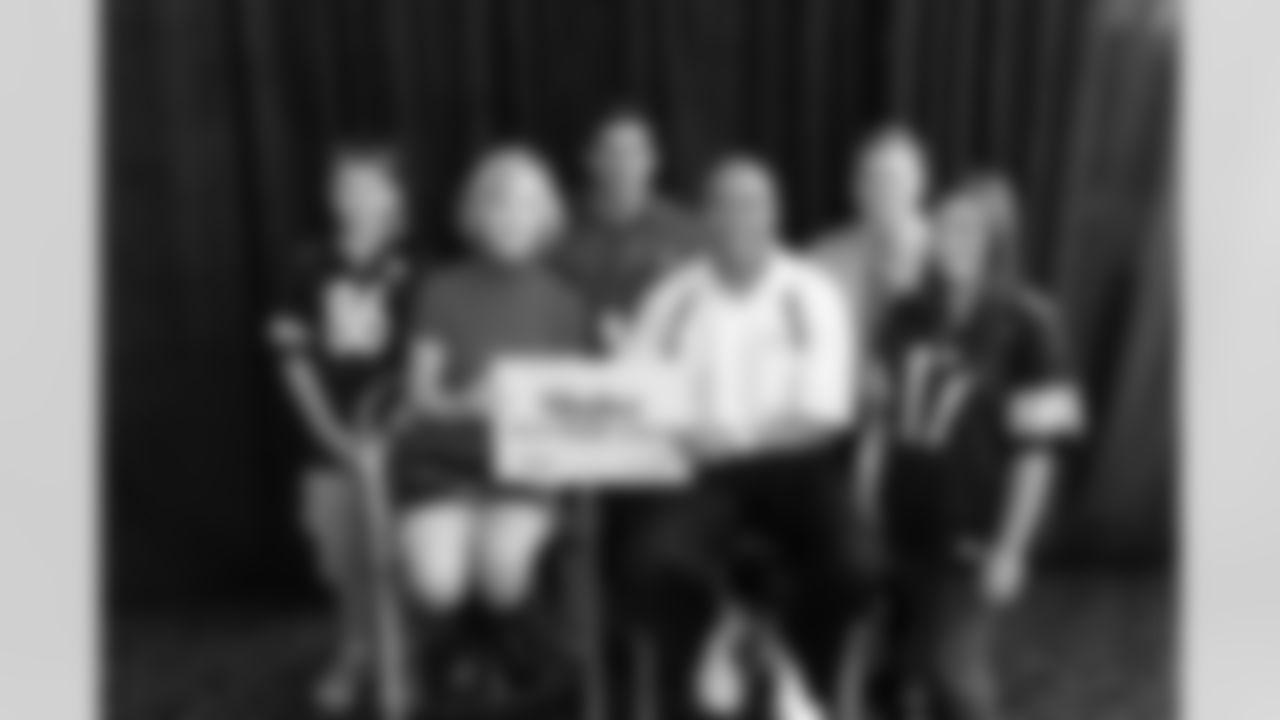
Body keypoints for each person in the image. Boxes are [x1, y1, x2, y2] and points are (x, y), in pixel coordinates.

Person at [623, 155, 867, 720]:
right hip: (697, 470)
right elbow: (637, 395)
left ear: (775, 214)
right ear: (704, 215)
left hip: (796, 464)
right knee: (651, 562)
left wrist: (736, 440)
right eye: (723, 203)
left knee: (856, 566)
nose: (737, 216)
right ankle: (717, 640)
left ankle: (795, 670)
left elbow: (825, 413)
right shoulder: (670, 297)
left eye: (752, 203)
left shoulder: (813, 292)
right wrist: (678, 435)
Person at [389, 145, 596, 707]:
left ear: (546, 217)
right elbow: (419, 395)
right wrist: (467, 403)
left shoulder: (565, 302)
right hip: (441, 461)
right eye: (498, 202)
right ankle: (469, 654)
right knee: (438, 584)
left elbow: (572, 406)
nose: (511, 216)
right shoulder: (441, 289)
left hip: (523, 469)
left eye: (527, 204)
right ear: (476, 215)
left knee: (501, 571)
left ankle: (517, 664)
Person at [875, 175, 1086, 720]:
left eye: (968, 228)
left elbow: (1039, 452)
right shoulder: (905, 313)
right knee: (904, 664)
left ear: (998, 239)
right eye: (943, 224)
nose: (951, 238)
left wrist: (1011, 549)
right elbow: (880, 421)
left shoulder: (1033, 323)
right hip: (903, 524)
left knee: (954, 673)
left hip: (975, 533)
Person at [265, 145, 413, 715]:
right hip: (328, 447)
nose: (355, 199)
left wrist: (387, 436)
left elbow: (421, 366)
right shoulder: (305, 266)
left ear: (394, 197)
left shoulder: (416, 269)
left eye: (369, 186)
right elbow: (293, 361)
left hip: (396, 444)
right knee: (343, 560)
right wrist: (334, 437)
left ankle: (399, 656)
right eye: (344, 186)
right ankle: (353, 652)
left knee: (396, 556)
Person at [554, 108, 703, 342]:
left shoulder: (689, 234)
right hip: (576, 355)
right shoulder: (557, 229)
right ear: (590, 158)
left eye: (634, 152)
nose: (623, 164)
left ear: (653, 159)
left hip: (661, 355)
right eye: (611, 152)